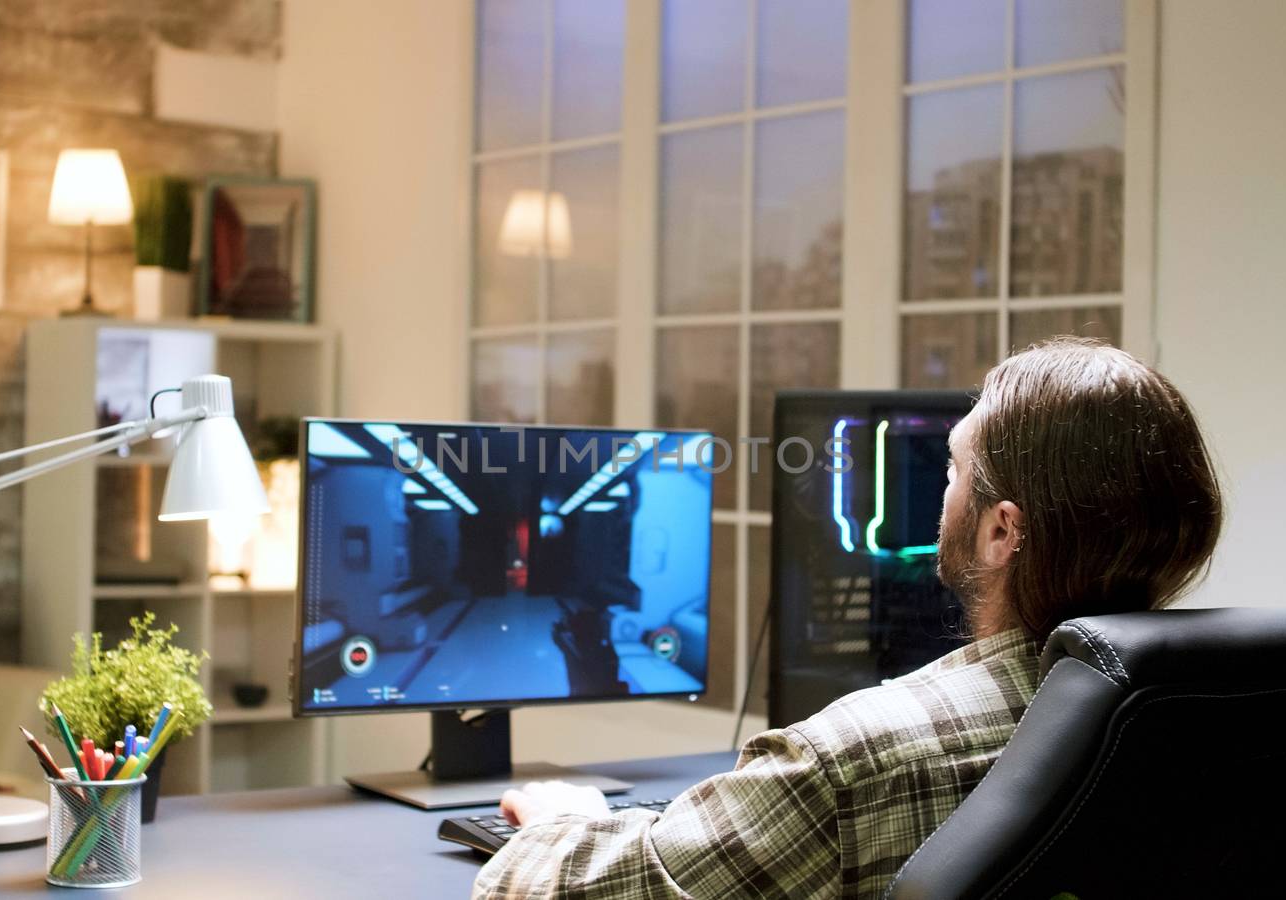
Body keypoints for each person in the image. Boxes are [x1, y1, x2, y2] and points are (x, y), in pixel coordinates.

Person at [474, 338, 1224, 899]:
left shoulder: (853, 759)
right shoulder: (1229, 714)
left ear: (1002, 532)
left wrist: (558, 825)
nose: (942, 494)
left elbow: (568, 892)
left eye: (954, 469)